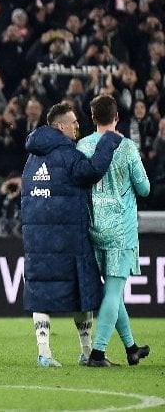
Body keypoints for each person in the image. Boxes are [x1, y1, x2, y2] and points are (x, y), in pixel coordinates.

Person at [21, 101, 119, 367]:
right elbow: (92, 171)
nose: (78, 126)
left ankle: (44, 353)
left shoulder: (32, 158)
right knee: (81, 291)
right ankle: (86, 351)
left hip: (37, 240)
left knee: (41, 293)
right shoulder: (67, 154)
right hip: (69, 237)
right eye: (74, 122)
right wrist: (109, 140)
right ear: (61, 127)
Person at [74, 96, 151, 368]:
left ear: (93, 117)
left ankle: (131, 348)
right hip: (121, 231)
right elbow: (145, 189)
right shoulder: (127, 147)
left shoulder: (83, 146)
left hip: (93, 228)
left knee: (111, 294)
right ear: (117, 117)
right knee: (114, 293)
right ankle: (98, 353)